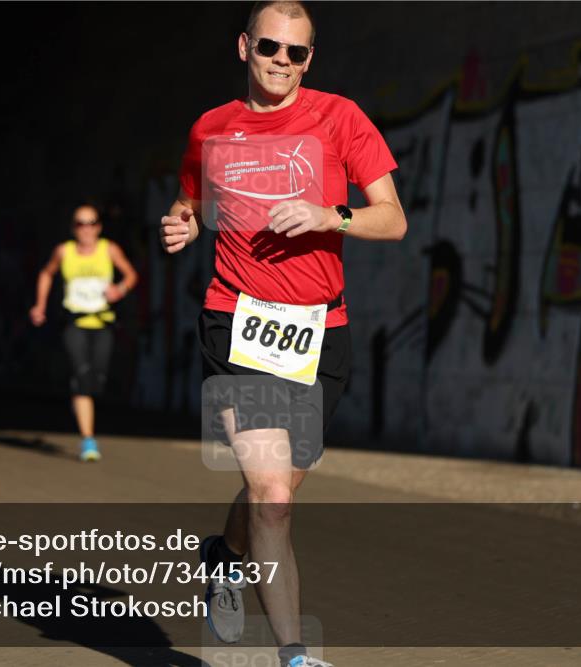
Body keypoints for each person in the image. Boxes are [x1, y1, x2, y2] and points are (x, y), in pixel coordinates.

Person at [160, 3, 407, 666]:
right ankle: (296, 655)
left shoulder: (340, 118)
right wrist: (182, 223)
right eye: (270, 46)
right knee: (271, 498)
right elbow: (191, 201)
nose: (281, 61)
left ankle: (225, 555)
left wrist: (332, 216)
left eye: (296, 52)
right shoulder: (212, 128)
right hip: (237, 323)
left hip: (320, 334)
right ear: (245, 46)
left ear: (309, 59)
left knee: (276, 490)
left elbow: (393, 219)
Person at [30, 203, 138, 462]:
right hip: (74, 323)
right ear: (73, 228)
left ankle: (81, 398)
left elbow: (131, 275)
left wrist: (119, 290)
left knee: (96, 379)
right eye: (80, 224)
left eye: (91, 223)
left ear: (98, 227)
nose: (86, 229)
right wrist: (40, 305)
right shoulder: (64, 251)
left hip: (102, 323)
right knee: (82, 376)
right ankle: (88, 439)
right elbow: (46, 274)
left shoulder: (109, 249)